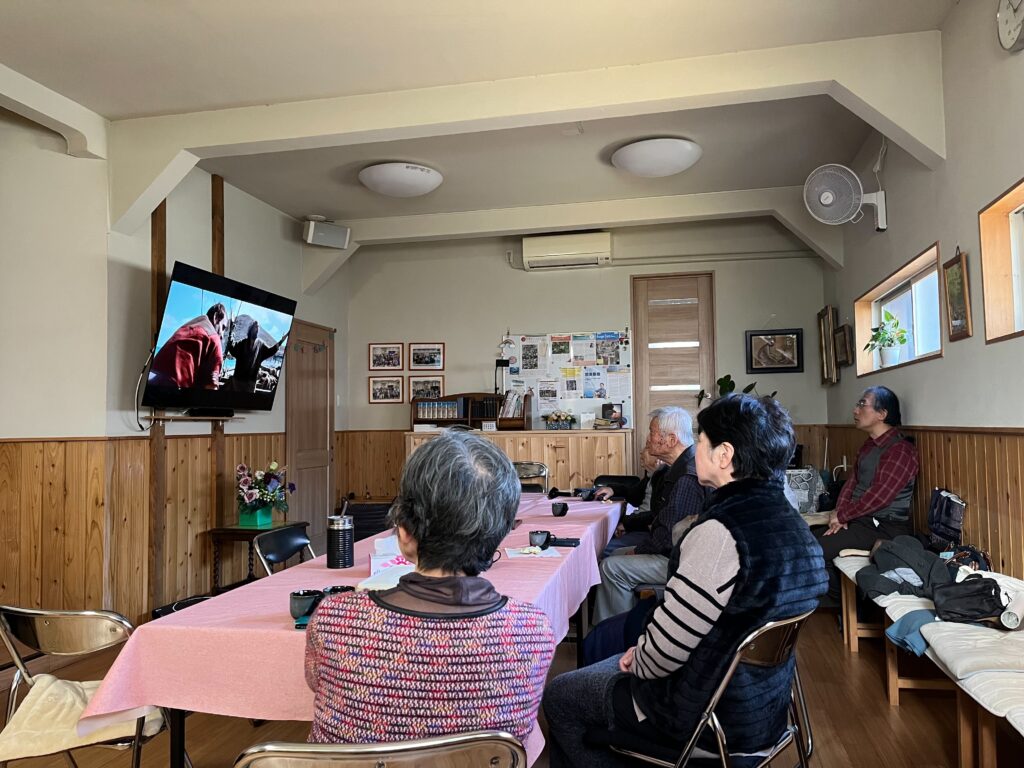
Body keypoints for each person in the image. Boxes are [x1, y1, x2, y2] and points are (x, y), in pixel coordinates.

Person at [543, 394, 827, 768]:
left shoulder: (722, 532)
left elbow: (660, 656)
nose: (695, 449)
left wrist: (640, 656)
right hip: (764, 711)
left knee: (561, 696)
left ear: (724, 455)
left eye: (702, 439)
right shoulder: (795, 527)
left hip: (706, 718)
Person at [304, 429, 555, 746]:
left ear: (404, 532)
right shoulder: (534, 631)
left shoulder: (334, 620)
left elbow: (317, 683)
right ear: (502, 532)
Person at [591, 406, 707, 624]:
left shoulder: (688, 476)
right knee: (612, 557)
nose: (648, 438)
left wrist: (638, 550)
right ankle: (624, 625)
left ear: (671, 440)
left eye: (652, 432)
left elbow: (667, 538)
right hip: (675, 552)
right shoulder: (676, 469)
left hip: (683, 561)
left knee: (611, 567)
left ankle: (612, 634)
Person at [817, 386, 919, 606]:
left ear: (882, 414)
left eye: (862, 404)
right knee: (808, 541)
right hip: (860, 521)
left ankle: (853, 606)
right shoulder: (869, 446)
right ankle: (845, 604)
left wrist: (843, 515)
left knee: (813, 551)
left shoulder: (900, 450)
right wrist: (838, 513)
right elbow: (852, 483)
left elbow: (880, 497)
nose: (855, 410)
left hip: (885, 528)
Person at [594, 448, 667, 557]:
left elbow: (655, 516)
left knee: (600, 549)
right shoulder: (651, 475)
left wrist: (627, 524)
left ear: (660, 457)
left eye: (648, 447)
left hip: (648, 532)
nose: (641, 452)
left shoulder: (664, 478)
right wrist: (612, 489)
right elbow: (634, 494)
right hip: (638, 525)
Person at [149, 303, 227, 390]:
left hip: (150, 379)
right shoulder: (213, 337)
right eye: (223, 327)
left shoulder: (186, 327)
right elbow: (211, 388)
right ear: (216, 317)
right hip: (172, 389)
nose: (222, 335)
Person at [228, 321, 288, 393]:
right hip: (238, 380)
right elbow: (232, 349)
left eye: (258, 327)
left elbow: (271, 351)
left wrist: (281, 341)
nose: (257, 329)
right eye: (255, 327)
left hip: (251, 383)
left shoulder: (260, 345)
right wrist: (231, 332)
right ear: (251, 329)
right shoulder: (242, 343)